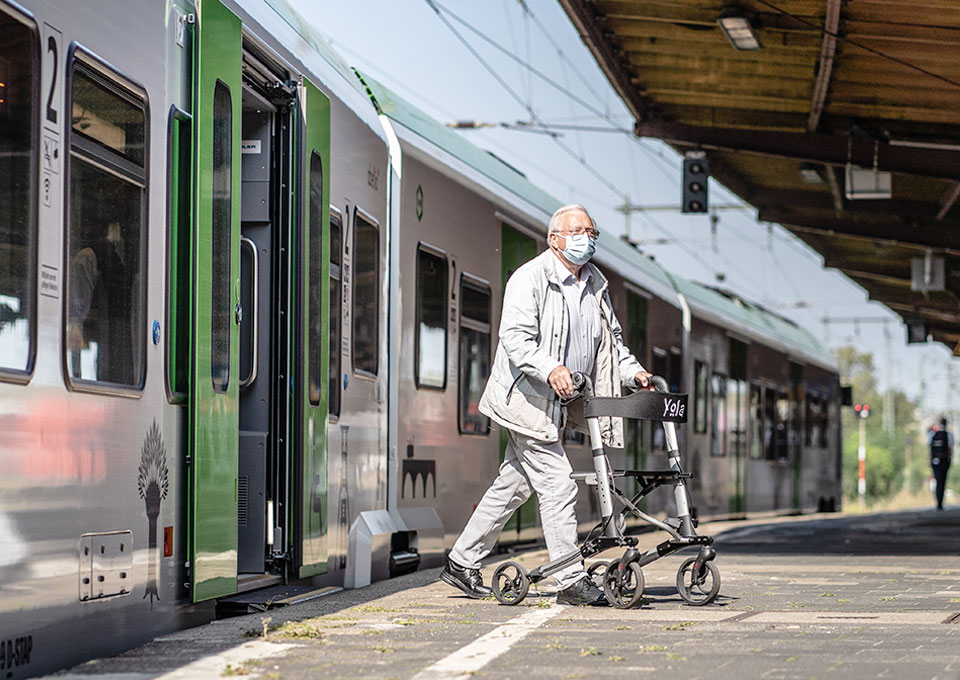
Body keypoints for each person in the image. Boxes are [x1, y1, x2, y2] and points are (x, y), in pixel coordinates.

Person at [439, 204, 651, 606]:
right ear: (555, 239)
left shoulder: (595, 286)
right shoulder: (530, 278)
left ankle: (461, 561)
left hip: (558, 403)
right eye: (577, 231)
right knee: (557, 483)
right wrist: (550, 366)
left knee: (513, 485)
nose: (586, 238)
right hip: (526, 399)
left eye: (592, 231)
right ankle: (570, 578)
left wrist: (635, 373)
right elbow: (515, 338)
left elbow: (610, 345)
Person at [928, 418, 952, 510]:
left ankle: (938, 500)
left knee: (937, 480)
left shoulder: (933, 434)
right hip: (944, 460)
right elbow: (950, 449)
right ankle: (940, 501)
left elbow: (929, 448)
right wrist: (949, 460)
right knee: (942, 480)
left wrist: (930, 460)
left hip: (935, 460)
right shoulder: (948, 435)